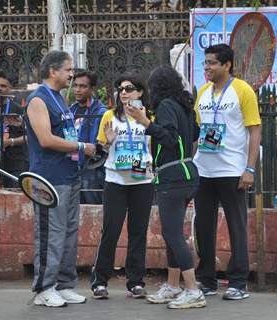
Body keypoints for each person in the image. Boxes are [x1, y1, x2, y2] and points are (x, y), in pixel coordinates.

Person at [126, 66, 205, 309]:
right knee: (172, 234)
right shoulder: (184, 106)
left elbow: (170, 138)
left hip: (173, 177)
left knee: (172, 235)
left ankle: (193, 290)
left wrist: (145, 122)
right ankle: (172, 285)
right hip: (187, 173)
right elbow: (194, 134)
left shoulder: (166, 107)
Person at [26, 50, 96, 307]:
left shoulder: (59, 98)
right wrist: (80, 146)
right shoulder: (38, 100)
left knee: (68, 233)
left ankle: (64, 284)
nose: (71, 74)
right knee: (50, 234)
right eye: (68, 70)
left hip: (69, 175)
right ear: (53, 71)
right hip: (48, 179)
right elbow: (45, 139)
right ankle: (43, 288)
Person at [193, 44, 261, 300]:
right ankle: (207, 279)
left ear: (227, 65)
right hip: (203, 169)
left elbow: (254, 130)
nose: (207, 68)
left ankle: (238, 282)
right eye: (205, 63)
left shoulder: (243, 90)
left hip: (233, 169)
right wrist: (191, 162)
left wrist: (250, 168)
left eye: (211, 63)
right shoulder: (203, 92)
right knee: (203, 226)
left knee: (236, 225)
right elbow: (199, 131)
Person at [90, 72, 154, 300]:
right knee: (111, 231)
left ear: (140, 92)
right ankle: (99, 281)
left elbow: (156, 145)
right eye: (120, 89)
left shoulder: (149, 117)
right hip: (116, 181)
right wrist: (106, 142)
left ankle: (135, 281)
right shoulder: (109, 116)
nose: (123, 93)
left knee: (138, 232)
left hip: (142, 181)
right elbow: (100, 151)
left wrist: (147, 122)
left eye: (128, 88)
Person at [70, 70, 107, 204]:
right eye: (75, 85)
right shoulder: (71, 110)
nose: (78, 90)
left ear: (92, 89)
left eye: (83, 86)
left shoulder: (100, 112)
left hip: (92, 170)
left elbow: (100, 144)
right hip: (72, 167)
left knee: (93, 208)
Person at [0, 70, 28, 188]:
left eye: (3, 86)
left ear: (10, 88)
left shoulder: (17, 109)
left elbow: (29, 137)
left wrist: (10, 142)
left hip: (14, 162)